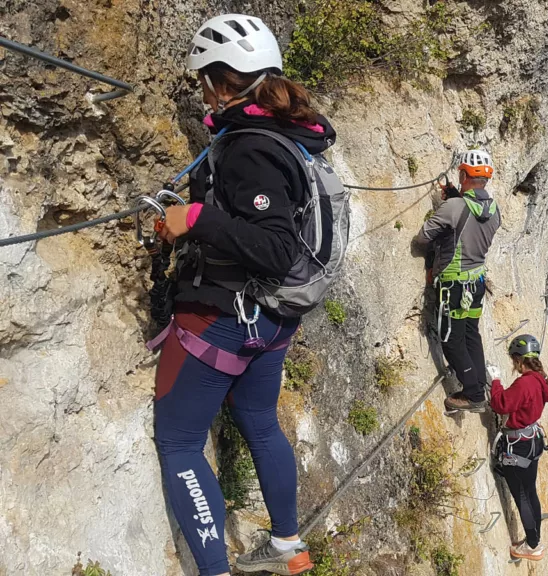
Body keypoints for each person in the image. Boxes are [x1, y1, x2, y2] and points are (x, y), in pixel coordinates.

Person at [150, 14, 335, 576]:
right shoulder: (288, 135)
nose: (202, 92)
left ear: (219, 79)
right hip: (272, 317)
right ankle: (287, 544)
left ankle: (214, 569)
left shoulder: (251, 148)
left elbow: (275, 246)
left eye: (203, 81)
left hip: (225, 315)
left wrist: (195, 218)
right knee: (259, 419)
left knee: (180, 442)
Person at [416, 150, 501, 413]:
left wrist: (449, 207)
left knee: (451, 340)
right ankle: (479, 384)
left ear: (463, 175)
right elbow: (471, 222)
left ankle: (473, 394)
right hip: (476, 283)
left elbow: (423, 237)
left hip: (453, 286)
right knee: (471, 333)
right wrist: (455, 199)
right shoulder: (495, 210)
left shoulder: (453, 208)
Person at [490, 334, 548, 561]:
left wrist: (495, 382)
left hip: (518, 446)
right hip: (531, 441)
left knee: (523, 496)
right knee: (529, 492)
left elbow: (501, 404)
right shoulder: (538, 379)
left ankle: (533, 545)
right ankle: (532, 540)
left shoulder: (525, 383)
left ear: (518, 360)